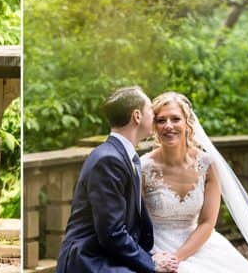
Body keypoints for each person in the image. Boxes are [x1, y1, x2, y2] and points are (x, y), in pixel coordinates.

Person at [141, 92, 248, 273]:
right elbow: (135, 220)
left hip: (198, 242)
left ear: (187, 123)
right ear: (154, 127)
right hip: (157, 245)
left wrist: (177, 258)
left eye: (175, 119)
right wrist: (156, 258)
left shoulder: (207, 164)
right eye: (161, 120)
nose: (168, 126)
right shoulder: (143, 167)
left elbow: (207, 222)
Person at [56, 85, 178, 273]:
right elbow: (111, 232)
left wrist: (150, 256)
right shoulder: (108, 160)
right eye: (150, 111)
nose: (154, 117)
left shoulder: (123, 156)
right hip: (89, 258)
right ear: (137, 116)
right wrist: (152, 264)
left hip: (108, 253)